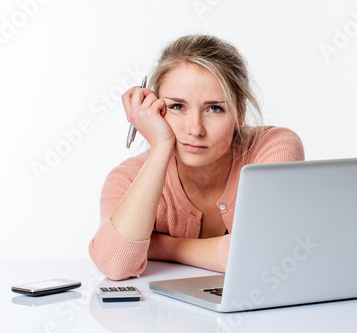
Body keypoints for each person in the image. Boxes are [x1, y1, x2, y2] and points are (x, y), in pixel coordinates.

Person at [89, 35, 305, 281]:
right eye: (177, 107)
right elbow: (115, 265)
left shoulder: (273, 148)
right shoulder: (127, 178)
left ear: (240, 113)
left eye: (214, 108)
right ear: (155, 110)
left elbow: (264, 254)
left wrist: (164, 246)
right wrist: (161, 146)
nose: (195, 129)